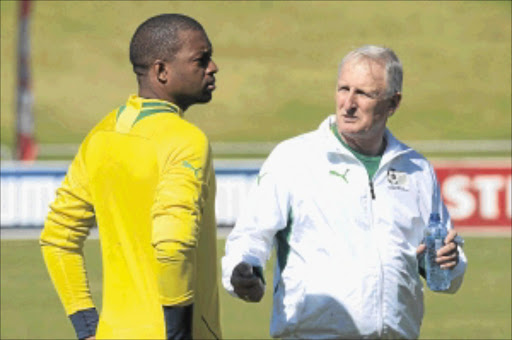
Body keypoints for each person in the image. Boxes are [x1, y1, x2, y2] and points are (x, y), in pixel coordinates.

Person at [221, 45, 467, 339]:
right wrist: (243, 271)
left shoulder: (417, 169)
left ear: (393, 103)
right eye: (343, 89)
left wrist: (447, 263)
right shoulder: (293, 158)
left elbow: (448, 268)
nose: (348, 104)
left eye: (363, 93)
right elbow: (249, 237)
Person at [40, 13, 221, 340]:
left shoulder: (101, 133)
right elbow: (171, 244)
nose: (213, 67)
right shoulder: (185, 140)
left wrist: (87, 329)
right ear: (161, 71)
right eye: (201, 59)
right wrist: (177, 334)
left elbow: (57, 238)